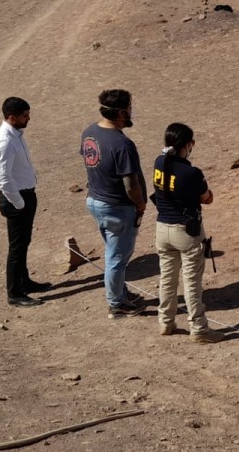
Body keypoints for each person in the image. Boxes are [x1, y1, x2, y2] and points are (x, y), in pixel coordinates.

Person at [152, 123, 225, 343]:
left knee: (167, 279)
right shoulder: (191, 172)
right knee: (192, 283)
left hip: (162, 229)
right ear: (187, 144)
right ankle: (199, 329)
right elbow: (207, 198)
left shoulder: (158, 162)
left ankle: (166, 322)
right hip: (185, 231)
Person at [80, 89, 147, 319]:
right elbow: (131, 185)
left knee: (113, 252)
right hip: (117, 208)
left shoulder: (90, 132)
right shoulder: (122, 144)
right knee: (117, 258)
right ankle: (116, 304)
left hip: (96, 201)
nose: (131, 112)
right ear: (120, 113)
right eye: (129, 108)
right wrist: (140, 205)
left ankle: (120, 292)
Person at [0, 96, 51, 307]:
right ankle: (15, 293)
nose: (29, 118)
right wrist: (20, 204)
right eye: (25, 115)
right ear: (12, 117)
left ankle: (24, 281)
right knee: (17, 247)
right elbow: (3, 180)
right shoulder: (3, 142)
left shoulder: (15, 134)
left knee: (24, 243)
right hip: (16, 200)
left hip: (25, 196)